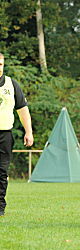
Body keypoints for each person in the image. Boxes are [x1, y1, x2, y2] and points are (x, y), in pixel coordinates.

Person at [0, 53, 34, 217]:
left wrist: (29, 132)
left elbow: (23, 110)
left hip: (5, 135)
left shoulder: (11, 84)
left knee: (1, 172)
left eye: (0, 64)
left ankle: (0, 207)